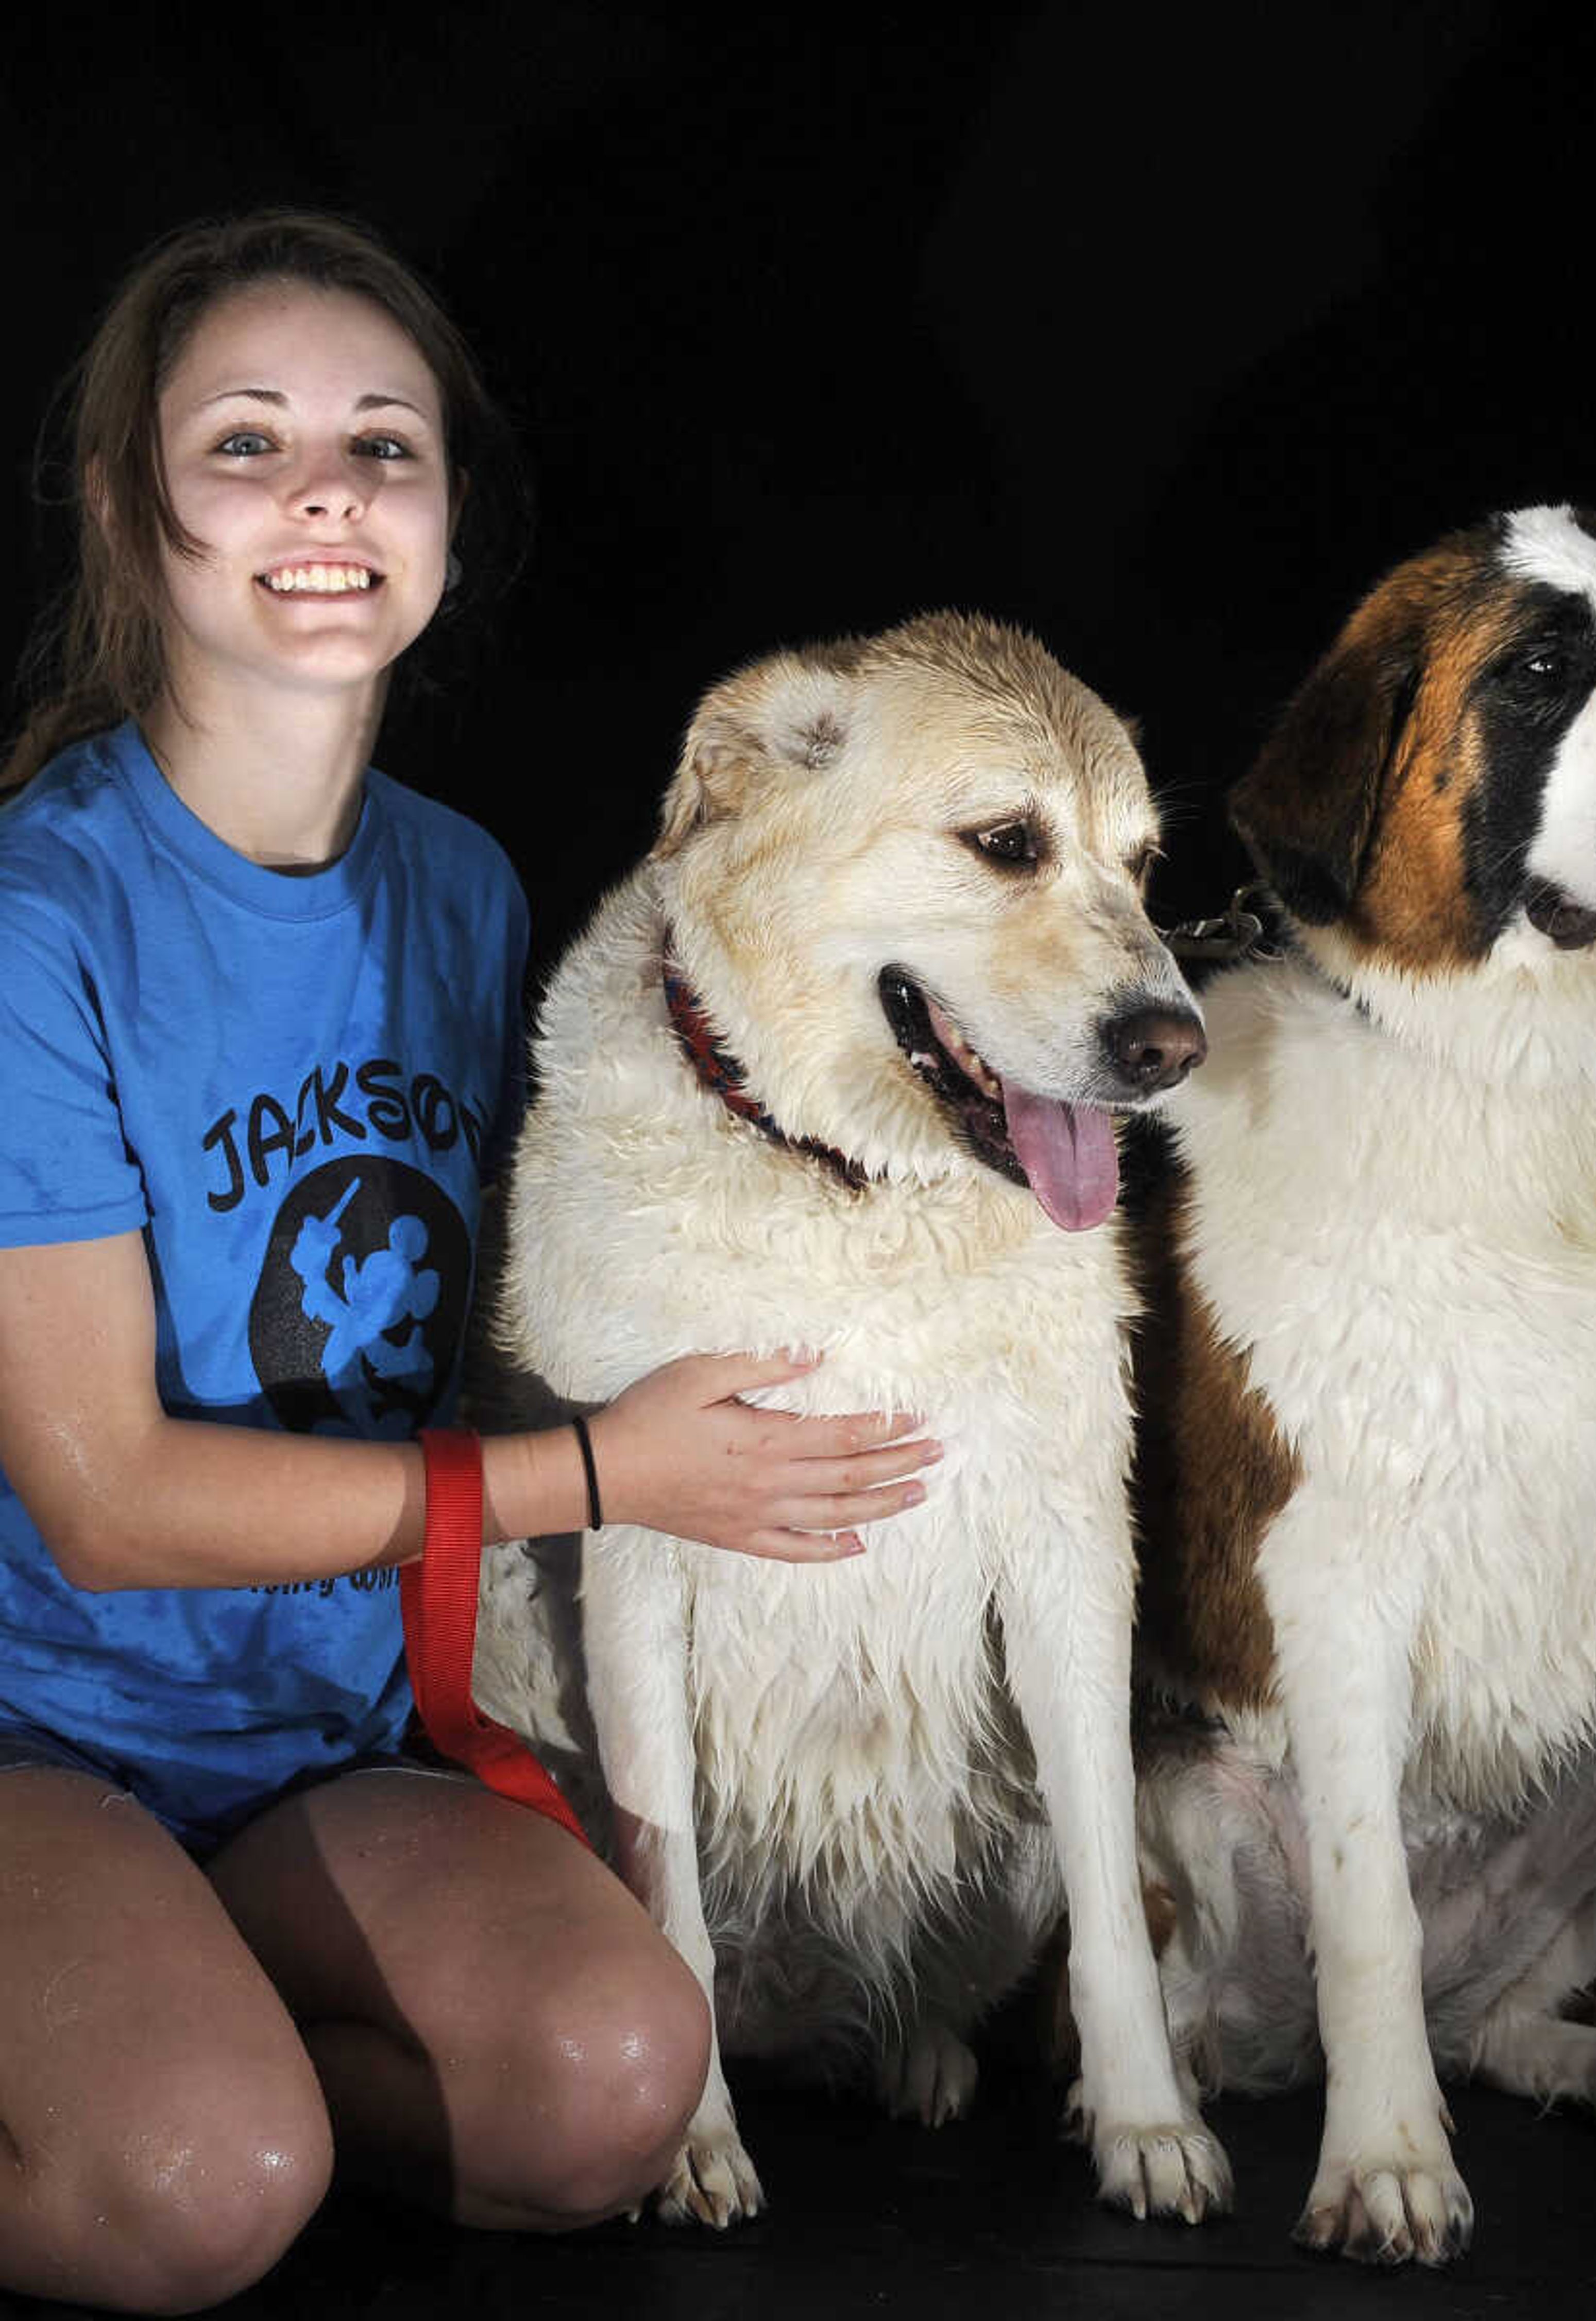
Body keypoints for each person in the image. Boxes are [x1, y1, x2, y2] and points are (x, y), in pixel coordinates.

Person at [0, 211, 941, 2315]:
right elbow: (110, 1499)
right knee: (203, 2182)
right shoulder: (34, 920)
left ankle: (171, 2020)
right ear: (118, 504)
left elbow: (495, 1330)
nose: (324, 489)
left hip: (314, 1753)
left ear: (443, 515)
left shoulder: (463, 887)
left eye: (381, 444)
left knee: (618, 2081)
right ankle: (157, 2064)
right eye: (244, 442)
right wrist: (610, 1473)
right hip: (33, 1736)